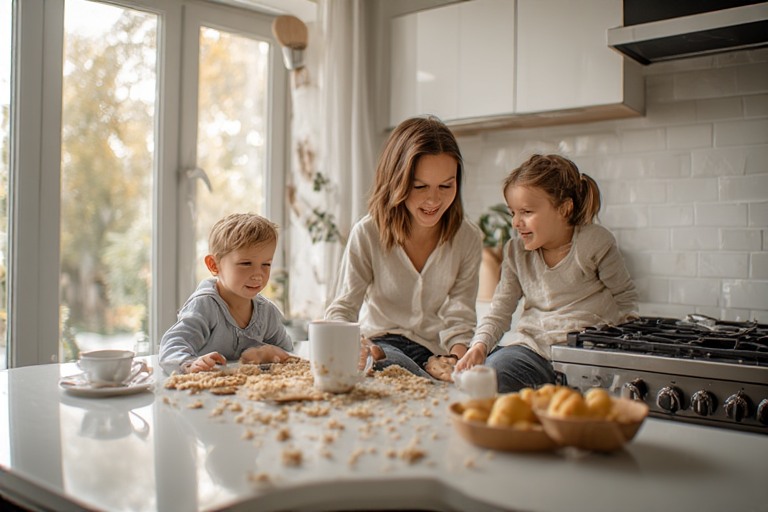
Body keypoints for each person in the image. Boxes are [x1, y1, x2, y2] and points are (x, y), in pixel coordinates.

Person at [455, 154, 638, 392]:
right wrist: (479, 345)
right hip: (534, 351)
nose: (516, 222)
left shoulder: (594, 242)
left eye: (526, 212)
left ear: (564, 209)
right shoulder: (515, 252)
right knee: (492, 373)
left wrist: (626, 354)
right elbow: (500, 310)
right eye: (512, 213)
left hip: (588, 354)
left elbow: (625, 299)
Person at [325, 115, 483, 380]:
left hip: (432, 351)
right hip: (382, 344)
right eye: (420, 186)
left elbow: (461, 316)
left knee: (495, 367)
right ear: (396, 181)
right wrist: (356, 344)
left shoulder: (467, 238)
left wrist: (456, 362)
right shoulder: (368, 232)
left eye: (446, 185)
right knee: (394, 367)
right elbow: (342, 308)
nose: (434, 199)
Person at [160, 213, 293, 374]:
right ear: (214, 265)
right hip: (204, 387)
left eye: (266, 264)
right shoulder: (205, 305)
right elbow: (172, 347)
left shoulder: (267, 312)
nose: (258, 274)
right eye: (246, 263)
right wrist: (189, 364)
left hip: (247, 387)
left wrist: (269, 354)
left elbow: (288, 353)